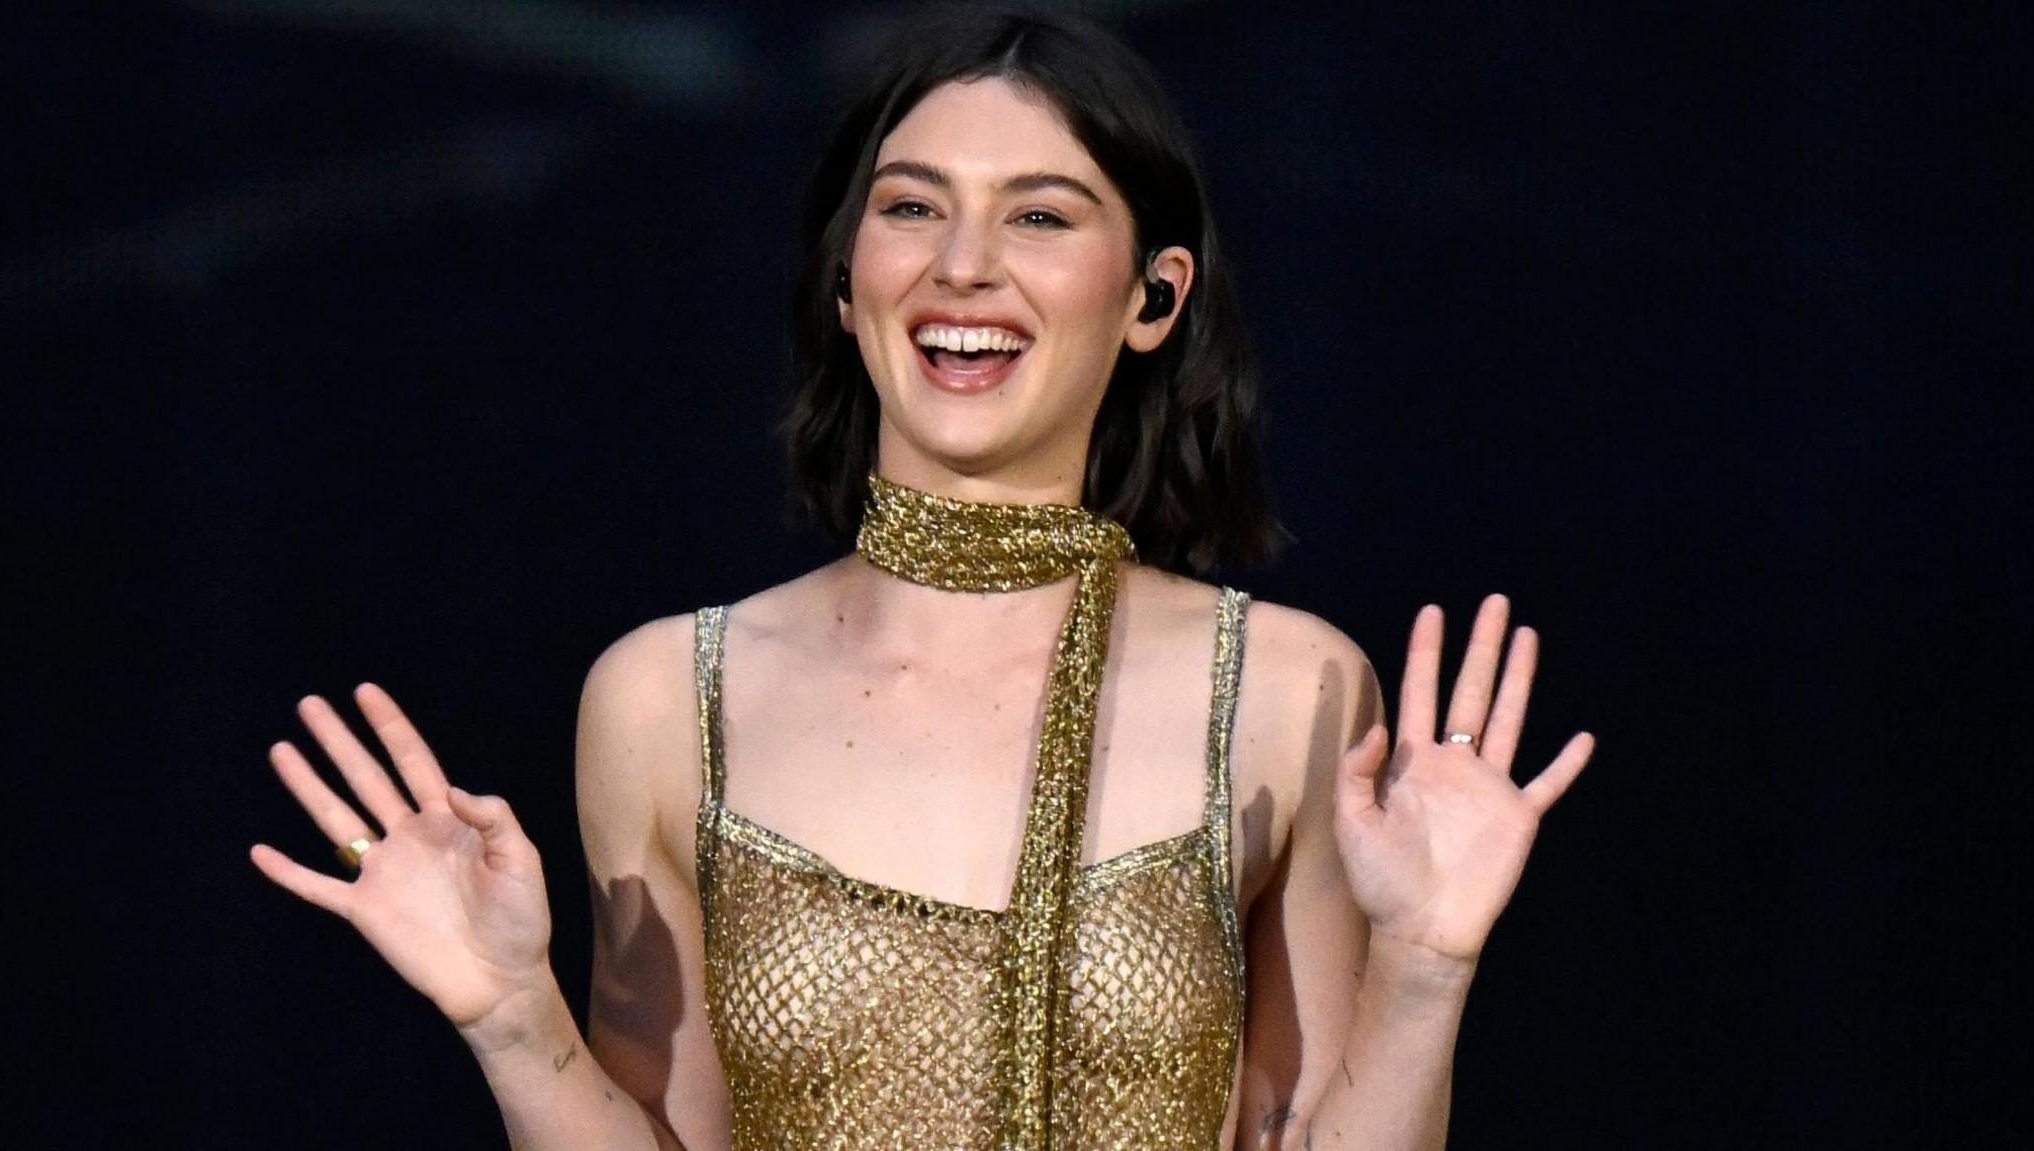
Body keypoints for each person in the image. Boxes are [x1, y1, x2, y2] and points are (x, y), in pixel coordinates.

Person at [249, 8, 1595, 1149]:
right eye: (912, 208)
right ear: (850, 282)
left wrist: (1426, 969)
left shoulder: (1291, 687)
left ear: (1153, 296)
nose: (964, 266)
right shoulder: (668, 696)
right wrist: (512, 1018)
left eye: (1041, 217)